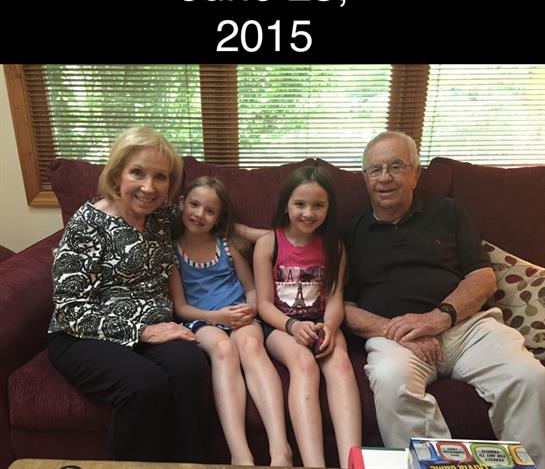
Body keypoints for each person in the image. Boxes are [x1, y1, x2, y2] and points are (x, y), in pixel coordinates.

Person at [343, 130, 545, 468]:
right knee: (392, 382)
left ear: (415, 173)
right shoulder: (350, 231)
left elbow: (482, 277)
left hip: (466, 328)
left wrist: (437, 318)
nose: (385, 178)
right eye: (375, 169)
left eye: (395, 166)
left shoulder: (449, 213)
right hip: (396, 338)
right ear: (365, 178)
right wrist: (397, 330)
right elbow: (343, 308)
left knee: (529, 378)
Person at [47, 126, 209, 463]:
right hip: (84, 334)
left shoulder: (162, 217)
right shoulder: (87, 223)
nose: (149, 187)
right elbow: (70, 309)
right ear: (117, 173)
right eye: (138, 172)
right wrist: (143, 331)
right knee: (143, 384)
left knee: (189, 364)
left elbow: (214, 220)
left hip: (151, 331)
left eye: (160, 177)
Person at [169, 176, 292, 467]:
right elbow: (180, 307)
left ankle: (280, 449)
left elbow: (250, 288)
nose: (200, 214)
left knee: (250, 345)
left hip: (241, 315)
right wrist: (216, 318)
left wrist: (250, 309)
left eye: (210, 211)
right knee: (223, 349)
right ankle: (240, 455)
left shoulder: (227, 245)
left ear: (219, 217)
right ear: (182, 204)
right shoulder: (171, 252)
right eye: (195, 205)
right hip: (202, 320)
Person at [254, 166, 362, 469]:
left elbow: (336, 298)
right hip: (281, 326)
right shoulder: (268, 244)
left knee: (340, 363)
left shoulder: (335, 246)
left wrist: (329, 327)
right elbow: (263, 305)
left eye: (318, 205)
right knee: (304, 364)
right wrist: (293, 325)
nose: (308, 213)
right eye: (300, 204)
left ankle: (352, 463)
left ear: (329, 208)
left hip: (322, 321)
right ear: (286, 205)